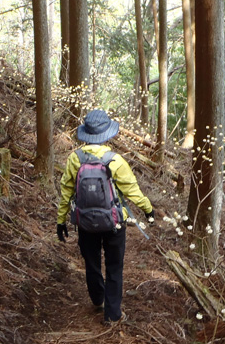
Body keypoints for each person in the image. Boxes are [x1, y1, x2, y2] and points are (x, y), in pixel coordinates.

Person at [56, 109, 155, 323]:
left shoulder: (75, 158)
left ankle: (97, 299)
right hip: (114, 223)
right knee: (114, 267)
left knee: (91, 263)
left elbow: (66, 191)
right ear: (106, 134)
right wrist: (148, 210)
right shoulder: (115, 160)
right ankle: (112, 314)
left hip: (85, 223)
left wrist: (60, 220)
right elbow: (132, 191)